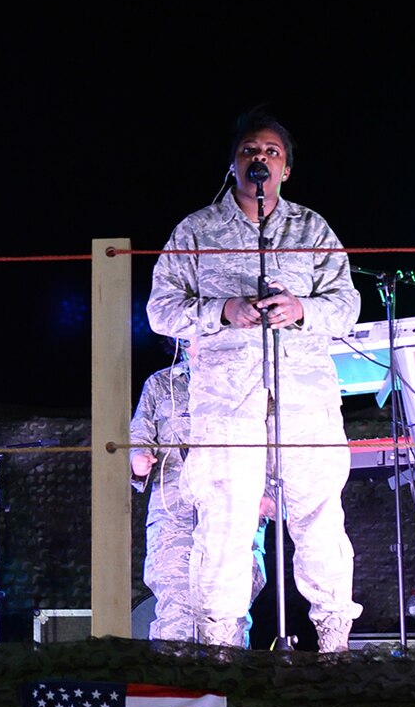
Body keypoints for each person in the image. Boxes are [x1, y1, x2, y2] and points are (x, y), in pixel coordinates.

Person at [146, 109, 362, 652]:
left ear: (286, 168)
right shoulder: (195, 230)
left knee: (319, 518)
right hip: (226, 404)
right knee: (223, 523)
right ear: (233, 163)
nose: (259, 159)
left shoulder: (312, 229)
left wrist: (301, 310)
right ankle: (220, 651)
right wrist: (224, 310)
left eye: (271, 152)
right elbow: (160, 311)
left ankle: (334, 646)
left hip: (304, 401)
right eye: (249, 151)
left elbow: (348, 305)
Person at [129, 347, 271, 641]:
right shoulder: (161, 383)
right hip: (174, 509)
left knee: (229, 603)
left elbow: (270, 439)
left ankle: (227, 682)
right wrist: (138, 460)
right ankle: (176, 682)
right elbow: (139, 433)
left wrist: (267, 491)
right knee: (174, 603)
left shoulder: (246, 381)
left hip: (233, 505)